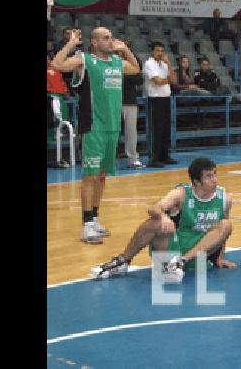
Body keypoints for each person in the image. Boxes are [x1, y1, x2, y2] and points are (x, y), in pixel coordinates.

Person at [52, 27, 142, 244]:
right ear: (94, 42)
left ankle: (94, 218)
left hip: (112, 127)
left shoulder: (117, 63)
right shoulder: (85, 60)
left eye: (111, 37)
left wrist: (125, 50)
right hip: (93, 127)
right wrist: (71, 44)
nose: (111, 41)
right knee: (90, 177)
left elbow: (136, 69)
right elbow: (56, 64)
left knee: (101, 176)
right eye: (106, 38)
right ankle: (86, 225)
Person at [91, 157, 238, 282]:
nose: (215, 180)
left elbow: (221, 235)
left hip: (199, 256)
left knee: (225, 224)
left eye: (214, 174)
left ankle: (181, 262)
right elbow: (154, 208)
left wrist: (220, 257)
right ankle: (123, 261)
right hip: (173, 250)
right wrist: (163, 216)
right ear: (197, 182)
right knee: (155, 223)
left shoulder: (225, 199)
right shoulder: (181, 193)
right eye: (209, 176)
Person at [144, 42, 178, 168]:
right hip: (155, 99)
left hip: (166, 98)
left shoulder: (164, 64)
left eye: (162, 51)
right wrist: (169, 80)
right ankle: (154, 157)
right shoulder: (149, 64)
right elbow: (157, 81)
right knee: (156, 129)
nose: (160, 53)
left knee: (165, 129)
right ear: (152, 52)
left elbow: (175, 80)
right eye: (157, 50)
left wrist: (168, 63)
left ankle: (164, 155)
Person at [121, 40, 145, 169]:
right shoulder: (111, 60)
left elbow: (139, 79)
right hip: (112, 101)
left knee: (131, 132)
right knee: (112, 132)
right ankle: (109, 159)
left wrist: (123, 77)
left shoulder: (135, 61)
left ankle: (133, 159)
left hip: (130, 100)